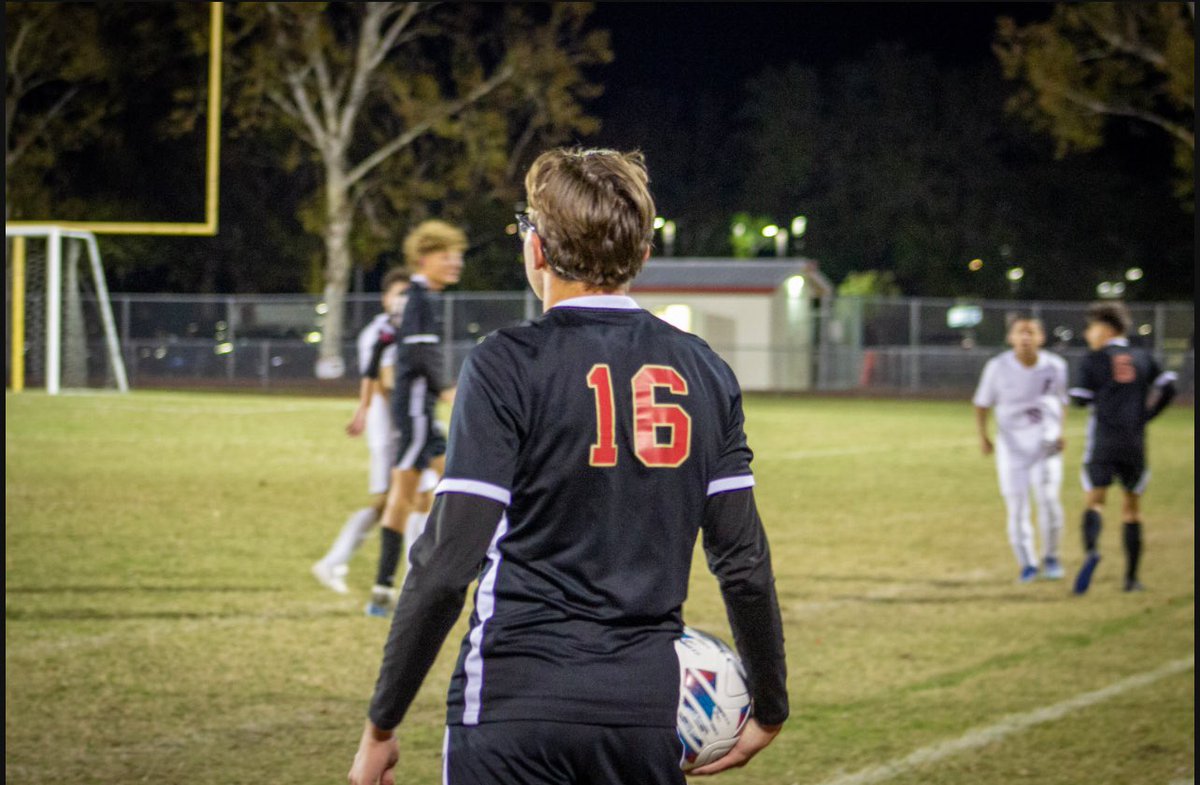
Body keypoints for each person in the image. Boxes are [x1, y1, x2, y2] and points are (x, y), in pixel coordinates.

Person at [348, 148, 789, 785]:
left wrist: (382, 725)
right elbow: (742, 561)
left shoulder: (504, 363)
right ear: (642, 255)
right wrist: (769, 704)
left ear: (536, 251)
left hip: (512, 703)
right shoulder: (707, 372)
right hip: (642, 715)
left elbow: (447, 565)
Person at [312, 269, 436, 595]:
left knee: (422, 497)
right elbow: (385, 381)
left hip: (405, 425)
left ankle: (408, 574)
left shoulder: (403, 329)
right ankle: (336, 561)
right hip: (393, 431)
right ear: (385, 298)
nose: (404, 301)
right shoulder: (380, 332)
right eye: (398, 294)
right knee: (393, 501)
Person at [364, 220, 464, 617]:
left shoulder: (420, 298)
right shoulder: (421, 298)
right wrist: (446, 390)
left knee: (456, 482)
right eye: (446, 256)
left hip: (419, 413)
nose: (455, 263)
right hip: (416, 415)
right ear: (424, 260)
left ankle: (401, 582)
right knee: (403, 498)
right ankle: (385, 589)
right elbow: (421, 357)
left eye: (457, 255)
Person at [1069, 301, 1177, 594]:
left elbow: (1079, 398)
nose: (1088, 333)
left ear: (1105, 329)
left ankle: (1092, 550)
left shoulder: (1094, 359)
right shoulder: (1141, 355)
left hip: (1103, 441)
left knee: (1095, 501)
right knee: (1132, 510)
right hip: (1134, 442)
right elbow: (1168, 386)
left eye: (1091, 328)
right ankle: (1131, 579)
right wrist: (1146, 415)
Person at [972, 317, 1069, 583]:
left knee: (1048, 501)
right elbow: (982, 404)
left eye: (1032, 332)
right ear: (1010, 338)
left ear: (1041, 337)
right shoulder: (997, 367)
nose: (1026, 337)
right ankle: (1027, 563)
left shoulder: (1056, 366)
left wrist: (1060, 432)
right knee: (1017, 506)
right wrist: (984, 437)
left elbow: (1062, 402)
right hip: (1011, 448)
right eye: (1020, 332)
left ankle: (1051, 557)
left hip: (1045, 445)